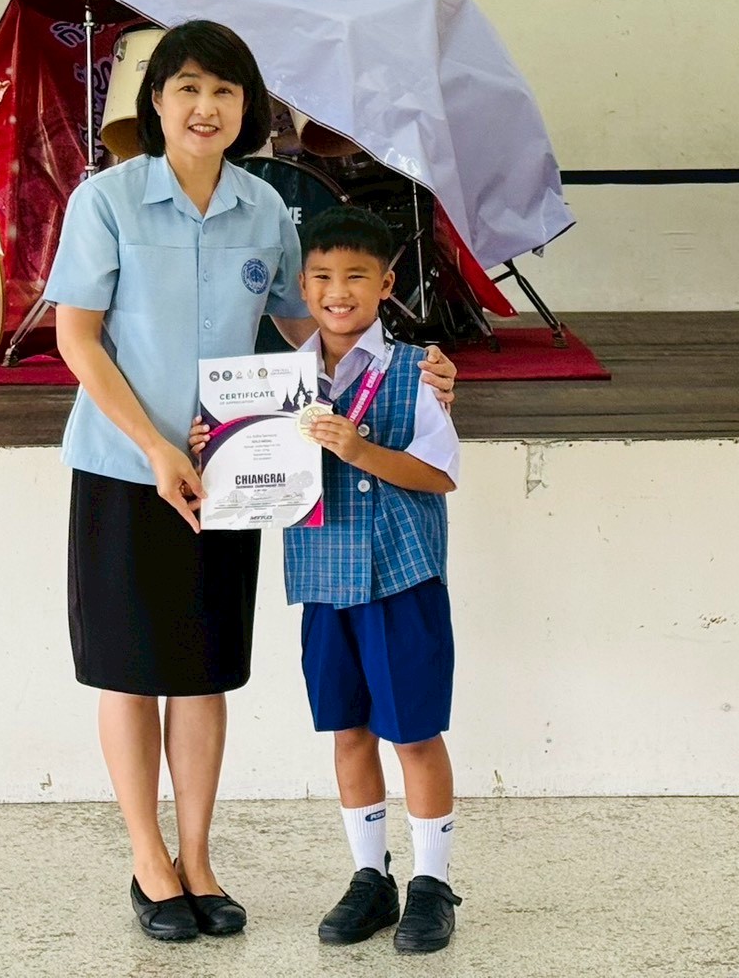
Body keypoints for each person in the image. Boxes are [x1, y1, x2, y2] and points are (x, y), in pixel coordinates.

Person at [44, 21, 457, 944]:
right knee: (128, 672)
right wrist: (155, 448)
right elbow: (78, 338)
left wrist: (414, 366)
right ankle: (149, 862)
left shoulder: (265, 208)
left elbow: (315, 330)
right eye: (187, 88)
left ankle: (197, 859)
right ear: (156, 101)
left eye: (224, 91)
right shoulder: (106, 201)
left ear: (246, 108)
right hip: (124, 469)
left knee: (201, 672)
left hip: (229, 473)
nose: (206, 107)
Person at [196, 205, 463, 953]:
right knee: (348, 730)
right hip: (321, 577)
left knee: (414, 733)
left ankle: (432, 883)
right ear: (302, 288)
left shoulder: (416, 369)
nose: (337, 292)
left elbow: (441, 474)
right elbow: (241, 470)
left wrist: (359, 450)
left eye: (355, 277)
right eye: (320, 277)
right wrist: (215, 445)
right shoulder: (272, 381)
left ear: (386, 285)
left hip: (403, 577)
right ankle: (370, 876)